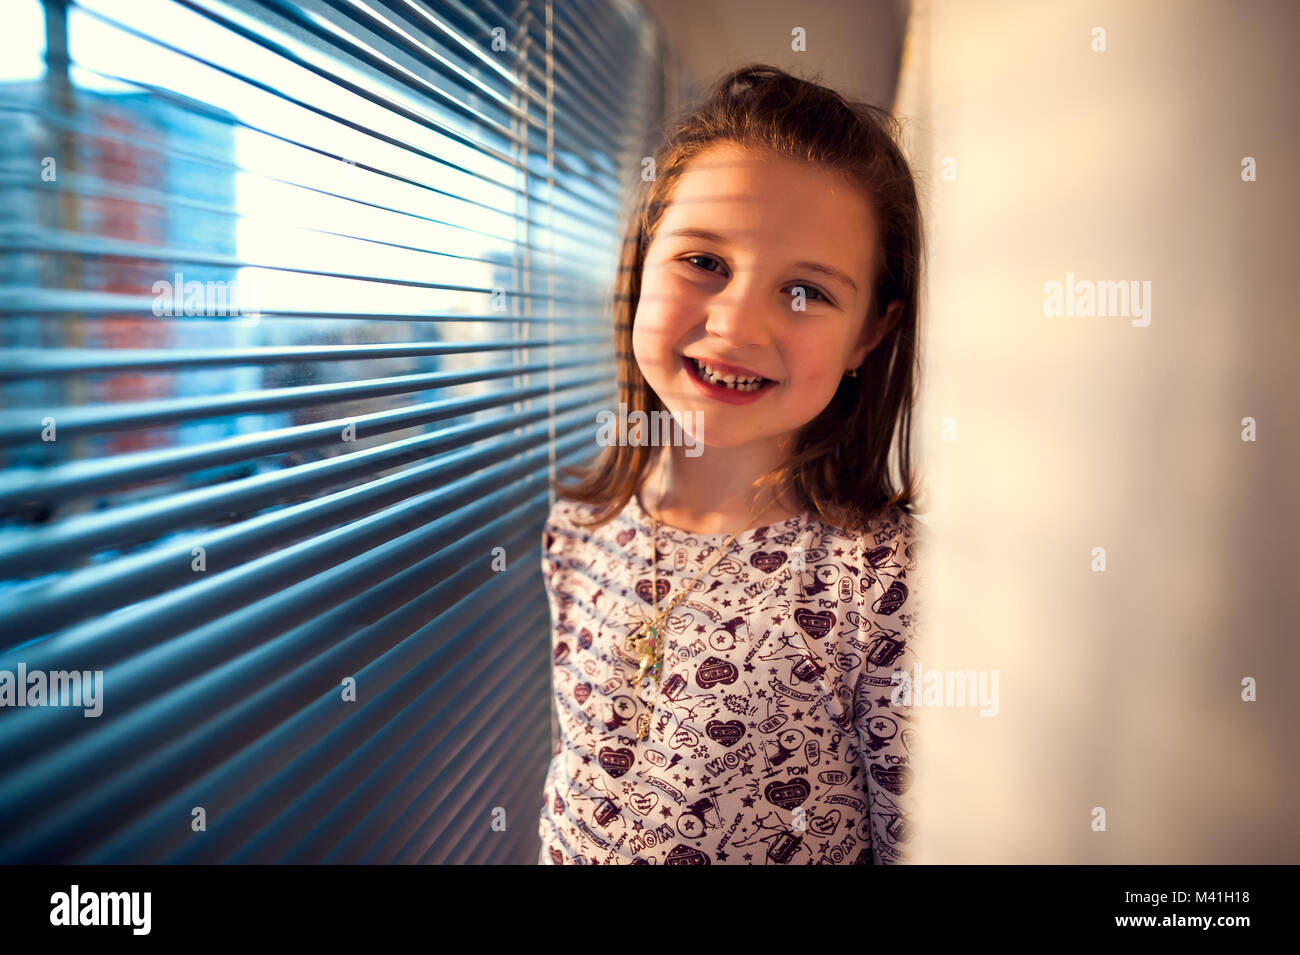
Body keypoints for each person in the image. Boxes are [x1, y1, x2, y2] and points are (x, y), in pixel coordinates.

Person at [536, 64, 927, 864]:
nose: (737, 324)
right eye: (704, 262)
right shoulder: (581, 527)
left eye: (807, 291)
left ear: (868, 336)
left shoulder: (882, 582)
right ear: (642, 264)